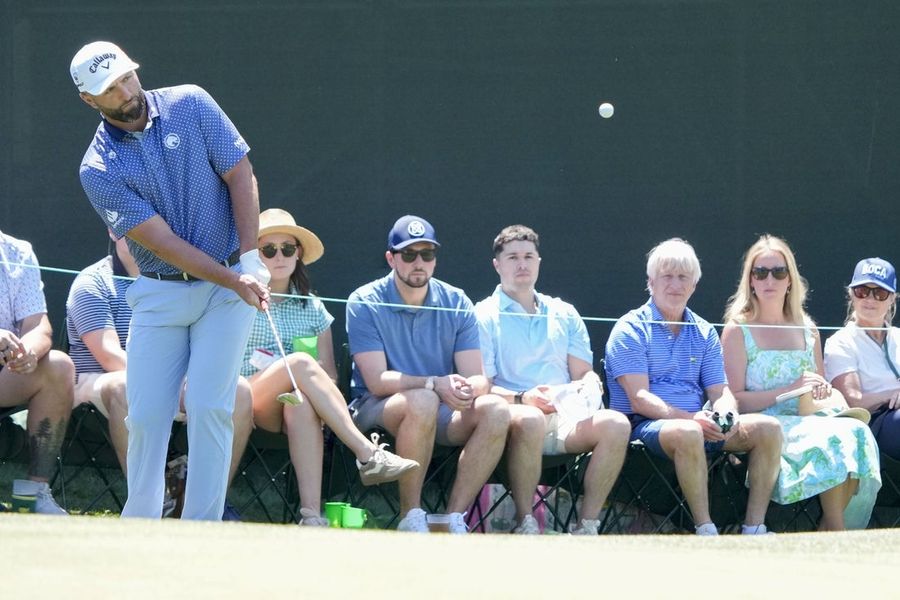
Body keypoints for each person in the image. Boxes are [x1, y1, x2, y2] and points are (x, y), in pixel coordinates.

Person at [72, 41, 270, 520]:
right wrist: (233, 279)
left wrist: (250, 258)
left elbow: (240, 173)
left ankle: (201, 526)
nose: (125, 91)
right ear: (89, 101)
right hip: (160, 292)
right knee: (145, 415)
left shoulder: (191, 102)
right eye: (110, 89)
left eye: (126, 77)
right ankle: (141, 523)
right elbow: (161, 242)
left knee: (209, 404)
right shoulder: (97, 168)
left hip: (227, 284)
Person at [242, 208, 419, 526]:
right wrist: (290, 368)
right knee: (298, 362)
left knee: (302, 405)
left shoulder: (314, 308)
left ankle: (311, 515)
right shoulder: (237, 299)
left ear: (298, 254)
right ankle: (366, 453)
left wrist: (300, 374)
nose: (279, 256)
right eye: (269, 249)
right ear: (256, 256)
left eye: (287, 248)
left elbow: (332, 376)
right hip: (243, 397)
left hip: (289, 404)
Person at [65, 234, 254, 519]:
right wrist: (175, 386)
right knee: (123, 385)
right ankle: (152, 507)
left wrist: (185, 383)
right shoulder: (92, 282)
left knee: (239, 390)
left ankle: (206, 501)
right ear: (115, 232)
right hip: (99, 382)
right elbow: (108, 355)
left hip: (169, 385)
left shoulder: (181, 280)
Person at [605, 238, 782, 535]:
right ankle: (705, 528)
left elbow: (719, 390)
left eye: (683, 277)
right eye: (667, 276)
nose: (675, 284)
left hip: (700, 423)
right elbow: (638, 399)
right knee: (688, 432)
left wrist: (726, 413)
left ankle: (754, 528)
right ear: (651, 282)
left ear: (694, 285)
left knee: (769, 428)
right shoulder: (630, 328)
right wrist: (691, 420)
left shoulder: (703, 331)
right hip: (644, 428)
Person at [347, 215, 509, 533]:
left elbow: (477, 378)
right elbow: (378, 381)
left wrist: (465, 389)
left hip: (440, 409)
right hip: (375, 409)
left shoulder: (456, 300)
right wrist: (434, 384)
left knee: (497, 410)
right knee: (422, 400)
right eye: (409, 255)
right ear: (391, 259)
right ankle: (412, 516)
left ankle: (453, 518)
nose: (419, 262)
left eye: (427, 254)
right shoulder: (363, 301)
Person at [475, 225, 629, 535]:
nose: (522, 264)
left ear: (539, 262)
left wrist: (589, 383)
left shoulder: (565, 312)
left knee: (617, 424)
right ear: (497, 265)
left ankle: (586, 526)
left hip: (566, 420)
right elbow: (483, 386)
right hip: (514, 420)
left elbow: (582, 371)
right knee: (530, 418)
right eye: (513, 257)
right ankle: (526, 522)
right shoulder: (482, 315)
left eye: (529, 256)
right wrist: (523, 398)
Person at [721, 235, 880, 530]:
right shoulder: (737, 329)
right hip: (763, 426)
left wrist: (820, 389)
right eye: (761, 272)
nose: (770, 279)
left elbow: (820, 390)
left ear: (790, 280)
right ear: (751, 281)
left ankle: (832, 527)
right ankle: (834, 530)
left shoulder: (808, 329)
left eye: (778, 272)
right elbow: (735, 399)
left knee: (855, 430)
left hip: (809, 419)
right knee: (833, 437)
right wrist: (788, 390)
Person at [0, 228, 72, 514]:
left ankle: (34, 495)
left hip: (5, 372)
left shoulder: (17, 251)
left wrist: (27, 351)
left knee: (57, 366)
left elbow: (39, 326)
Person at [826, 258, 900, 460]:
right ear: (851, 294)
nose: (870, 299)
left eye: (880, 293)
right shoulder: (840, 342)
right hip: (876, 421)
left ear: (892, 298)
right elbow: (853, 402)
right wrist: (892, 394)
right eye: (862, 291)